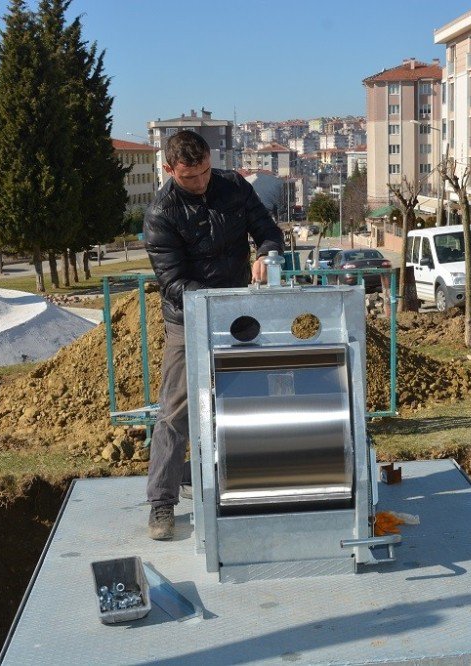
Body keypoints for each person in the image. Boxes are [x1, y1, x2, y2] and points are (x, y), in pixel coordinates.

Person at [143, 130, 284, 540]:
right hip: (187, 320)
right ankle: (161, 503)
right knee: (175, 411)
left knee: (250, 399)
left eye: (205, 171)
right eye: (190, 177)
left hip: (241, 314)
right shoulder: (160, 214)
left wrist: (265, 253)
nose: (201, 182)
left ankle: (251, 484)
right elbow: (172, 282)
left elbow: (267, 228)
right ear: (170, 169)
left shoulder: (234, 186)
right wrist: (216, 301)